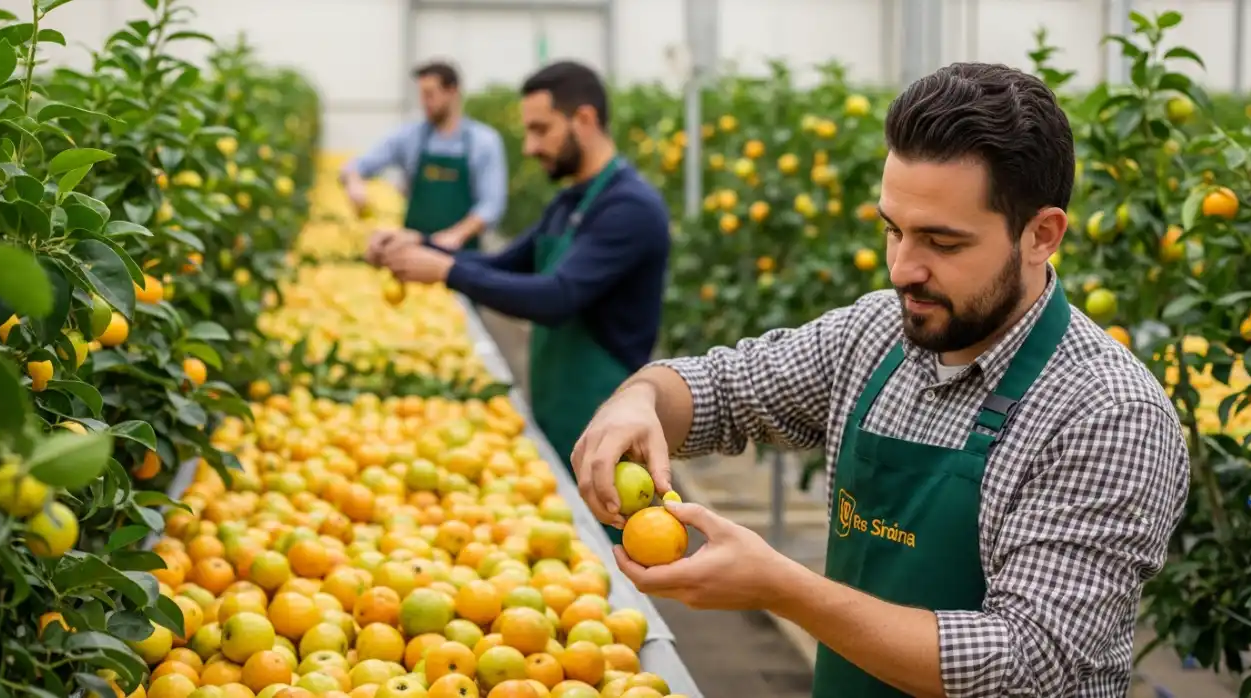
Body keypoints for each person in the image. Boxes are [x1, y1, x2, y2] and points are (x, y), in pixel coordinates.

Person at [570, 63, 1191, 697]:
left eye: (941, 243)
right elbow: (724, 389)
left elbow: (1023, 661)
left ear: (1042, 235)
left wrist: (782, 587)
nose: (901, 269)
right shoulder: (877, 334)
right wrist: (639, 398)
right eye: (893, 230)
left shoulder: (1108, 412)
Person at [369, 60, 671, 545]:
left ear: (585, 120)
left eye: (540, 130)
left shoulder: (629, 208)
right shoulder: (570, 202)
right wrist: (416, 244)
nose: (529, 147)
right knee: (562, 550)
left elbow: (557, 297)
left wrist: (445, 269)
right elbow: (506, 264)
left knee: (601, 571)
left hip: (607, 423)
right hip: (559, 410)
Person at [343, 61, 507, 252]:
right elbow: (358, 165)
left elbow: (492, 205)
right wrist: (353, 181)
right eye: (421, 95)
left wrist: (457, 234)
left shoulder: (483, 141)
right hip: (413, 250)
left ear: (453, 91)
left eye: (430, 95)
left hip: (463, 254)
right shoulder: (410, 136)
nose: (424, 102)